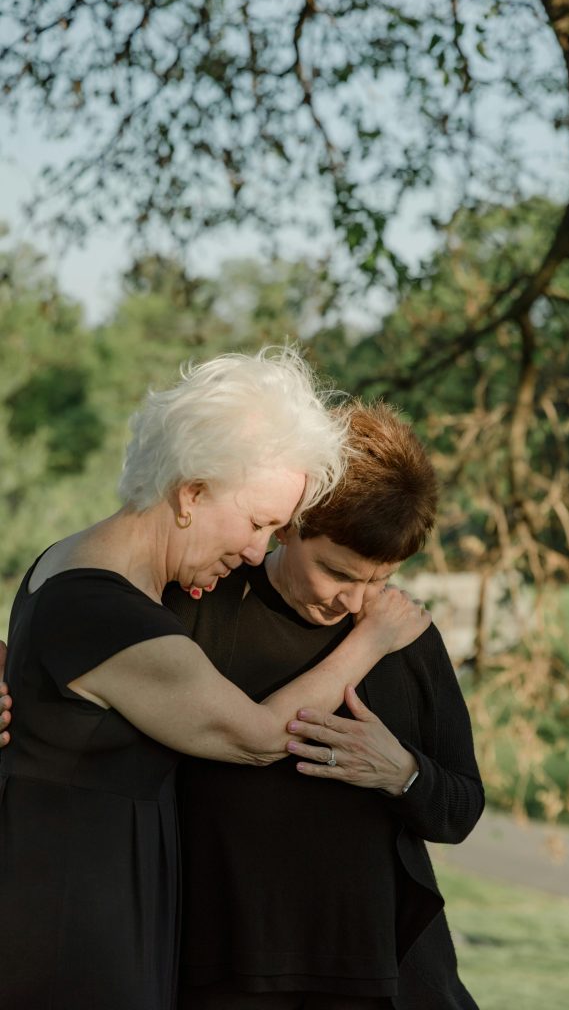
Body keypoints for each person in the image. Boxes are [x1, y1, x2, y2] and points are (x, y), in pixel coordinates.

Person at [0, 352, 429, 1010]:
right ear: (191, 492)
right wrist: (370, 640)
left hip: (100, 894)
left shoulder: (89, 567)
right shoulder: (103, 609)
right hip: (74, 918)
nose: (259, 552)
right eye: (258, 523)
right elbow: (257, 736)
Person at [163, 400, 484, 1010]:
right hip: (227, 970)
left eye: (380, 579)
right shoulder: (201, 600)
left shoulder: (405, 633)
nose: (355, 601)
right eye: (338, 572)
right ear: (291, 522)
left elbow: (461, 809)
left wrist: (405, 775)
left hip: (379, 970)